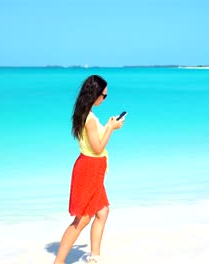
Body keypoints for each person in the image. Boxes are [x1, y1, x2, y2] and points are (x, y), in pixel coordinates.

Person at [54, 75, 125, 264]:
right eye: (104, 95)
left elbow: (94, 143)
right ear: (95, 94)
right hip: (89, 170)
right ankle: (58, 262)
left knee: (103, 212)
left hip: (93, 168)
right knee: (82, 219)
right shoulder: (90, 119)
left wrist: (108, 125)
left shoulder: (85, 113)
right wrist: (112, 128)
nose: (104, 99)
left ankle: (94, 256)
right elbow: (98, 148)